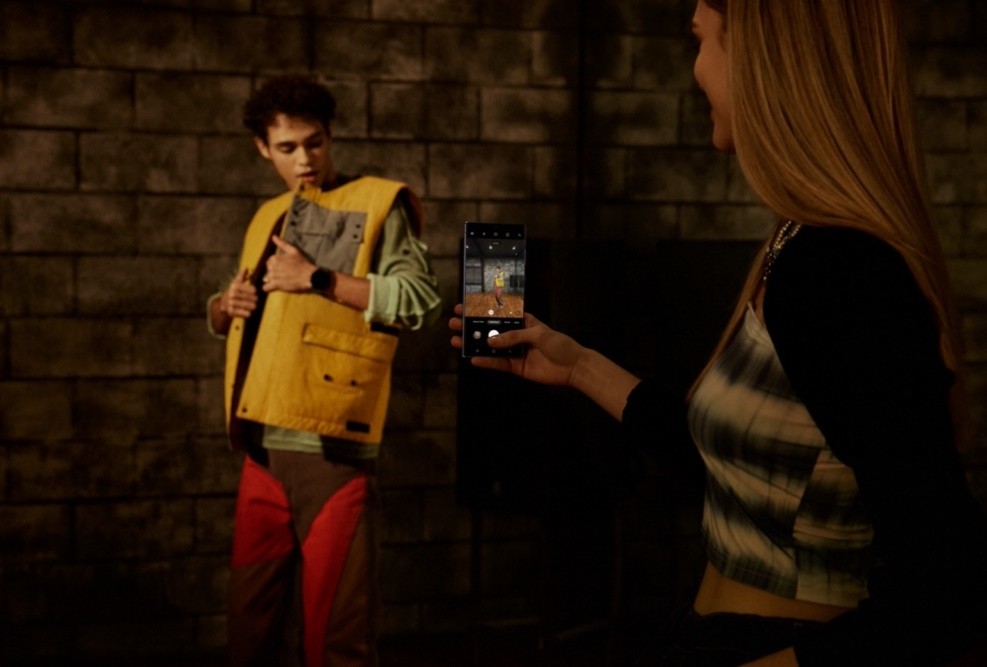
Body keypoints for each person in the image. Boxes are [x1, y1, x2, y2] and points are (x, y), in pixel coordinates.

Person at [450, 1, 987, 665]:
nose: (695, 68)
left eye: (702, 40)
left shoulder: (838, 271)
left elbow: (946, 584)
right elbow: (730, 461)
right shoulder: (798, 242)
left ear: (765, 62)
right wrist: (577, 365)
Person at [208, 75, 441, 667]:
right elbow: (252, 307)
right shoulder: (266, 214)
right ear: (263, 149)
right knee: (248, 634)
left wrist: (318, 278)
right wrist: (224, 306)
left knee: (337, 638)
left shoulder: (378, 201)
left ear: (330, 135)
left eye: (314, 143)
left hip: (332, 454)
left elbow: (419, 300)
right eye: (287, 148)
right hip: (261, 449)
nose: (304, 159)